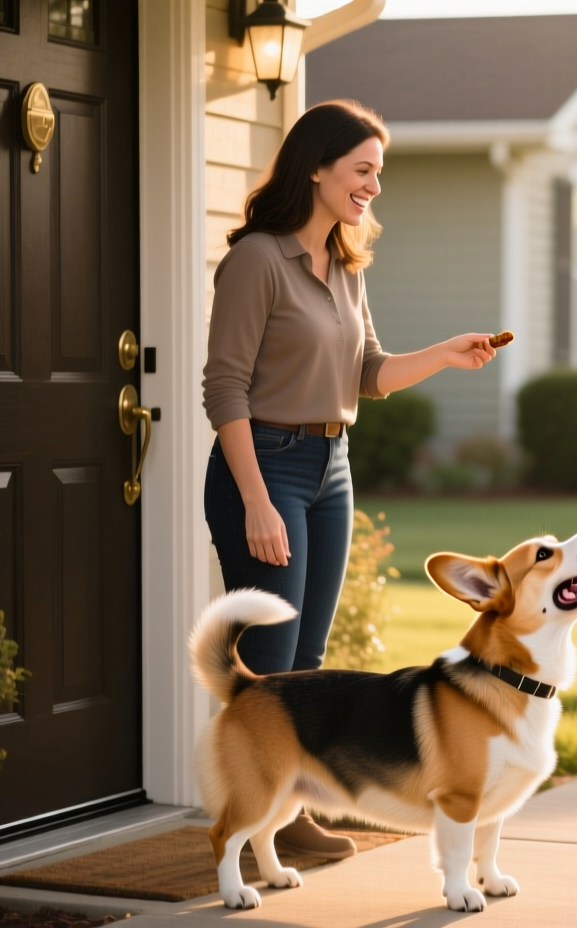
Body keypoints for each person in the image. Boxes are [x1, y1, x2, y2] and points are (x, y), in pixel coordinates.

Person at [202, 100, 500, 859]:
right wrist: (255, 500)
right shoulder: (258, 261)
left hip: (332, 466)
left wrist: (444, 354)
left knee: (307, 653)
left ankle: (288, 808)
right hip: (265, 462)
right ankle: (258, 816)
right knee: (268, 660)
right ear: (317, 167)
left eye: (379, 172)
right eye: (363, 170)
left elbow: (368, 372)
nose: (374, 186)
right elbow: (224, 387)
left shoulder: (345, 264)